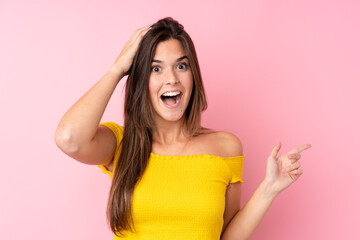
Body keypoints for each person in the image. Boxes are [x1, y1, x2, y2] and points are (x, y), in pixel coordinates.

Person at [55, 17, 311, 240]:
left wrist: (269, 189)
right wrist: (118, 68)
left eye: (181, 66)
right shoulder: (122, 143)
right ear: (140, 80)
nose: (171, 79)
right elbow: (69, 138)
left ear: (193, 75)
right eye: (156, 68)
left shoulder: (225, 147)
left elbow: (226, 236)